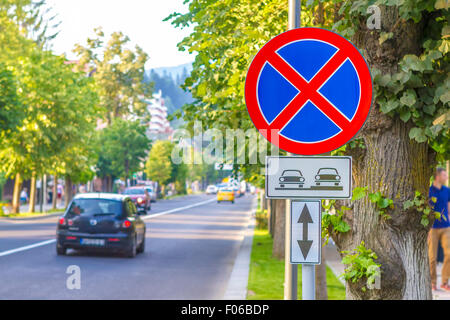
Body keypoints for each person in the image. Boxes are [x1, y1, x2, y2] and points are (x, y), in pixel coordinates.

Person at [428, 167, 450, 291]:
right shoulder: (429, 191)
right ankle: (432, 282)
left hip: (446, 227)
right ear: (437, 176)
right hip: (432, 228)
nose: (446, 177)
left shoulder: (447, 190)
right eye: (444, 175)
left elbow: (449, 207)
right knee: (432, 257)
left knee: (449, 254)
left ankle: (445, 282)